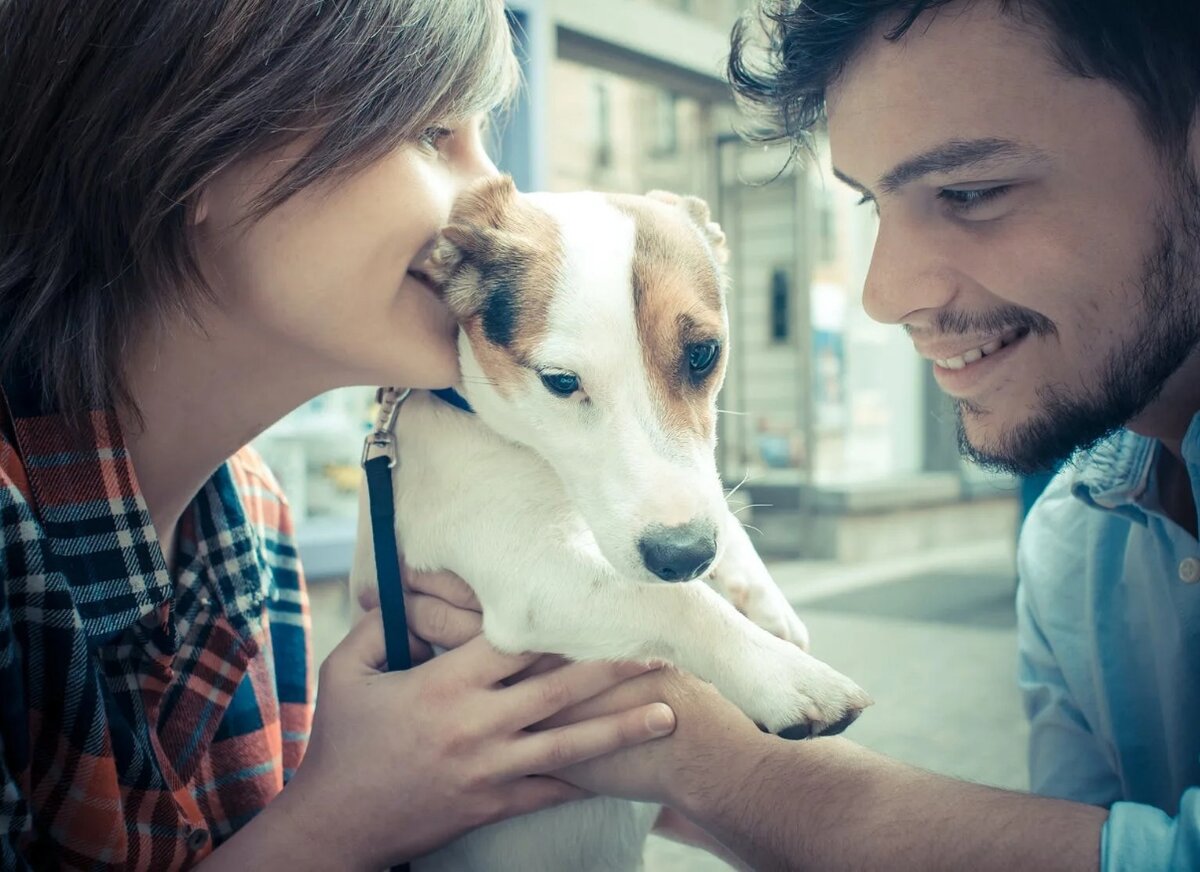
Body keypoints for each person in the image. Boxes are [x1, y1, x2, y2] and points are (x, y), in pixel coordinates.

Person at [411, 0, 1200, 869]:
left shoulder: (1072, 549)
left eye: (972, 193)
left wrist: (721, 765)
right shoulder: (1074, 545)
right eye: (871, 205)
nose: (883, 293)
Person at [0, 2, 680, 868]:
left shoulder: (251, 510)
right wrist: (342, 819)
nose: (496, 202)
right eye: (435, 133)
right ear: (191, 145)